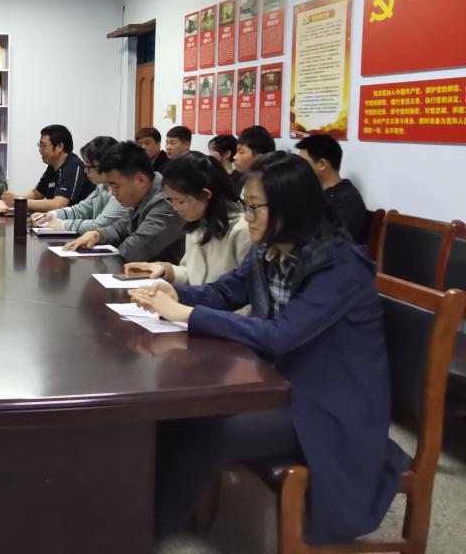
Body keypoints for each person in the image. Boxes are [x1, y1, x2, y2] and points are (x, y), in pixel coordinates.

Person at [130, 152, 408, 544]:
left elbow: (280, 335)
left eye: (255, 207)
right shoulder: (269, 248)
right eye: (246, 205)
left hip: (329, 406)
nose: (247, 217)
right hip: (280, 382)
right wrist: (176, 293)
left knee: (209, 433)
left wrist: (188, 314)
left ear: (291, 207)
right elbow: (226, 292)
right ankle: (145, 515)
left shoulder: (340, 266)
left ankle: (142, 537)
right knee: (177, 411)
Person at [124, 151, 250, 286]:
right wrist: (164, 269)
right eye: (171, 200)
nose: (175, 207)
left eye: (181, 201)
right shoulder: (197, 225)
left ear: (206, 194)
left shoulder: (242, 230)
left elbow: (244, 291)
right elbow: (190, 273)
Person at [63, 141, 185, 262]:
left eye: (116, 186)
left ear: (141, 180)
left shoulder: (167, 203)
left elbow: (134, 251)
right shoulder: (141, 195)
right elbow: (121, 227)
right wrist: (96, 234)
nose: (113, 193)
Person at [31, 136, 127, 234]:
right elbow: (81, 210)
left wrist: (64, 225)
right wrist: (52, 215)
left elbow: (100, 225)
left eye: (88, 166)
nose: (85, 170)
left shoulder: (122, 191)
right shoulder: (102, 187)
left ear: (105, 165)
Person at [1, 124, 94, 213]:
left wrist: (19, 201)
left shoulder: (74, 166)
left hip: (75, 222)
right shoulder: (53, 166)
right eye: (39, 145)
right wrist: (15, 198)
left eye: (43, 145)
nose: (40, 149)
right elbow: (36, 193)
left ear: (59, 147)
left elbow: (58, 205)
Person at [295, 134, 368, 244]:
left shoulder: (347, 200)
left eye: (303, 163)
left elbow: (329, 242)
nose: (299, 169)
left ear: (322, 164)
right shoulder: (312, 191)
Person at [207, 133, 245, 198]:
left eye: (214, 151)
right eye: (210, 151)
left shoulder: (240, 177)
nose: (210, 155)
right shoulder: (209, 173)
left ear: (227, 153)